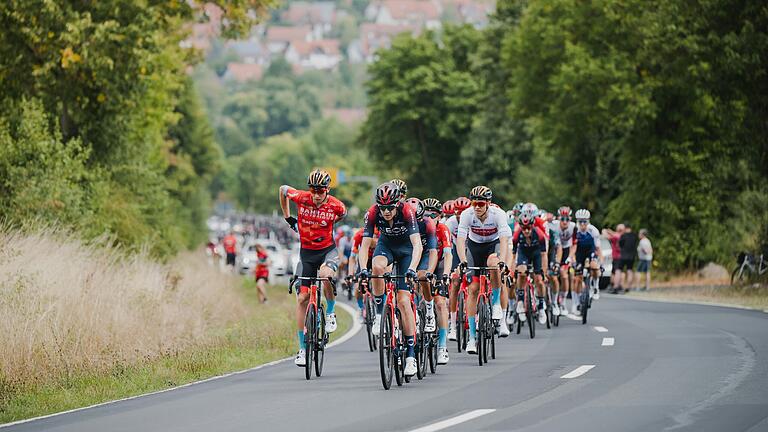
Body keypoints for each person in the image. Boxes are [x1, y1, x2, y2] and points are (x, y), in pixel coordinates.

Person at [278, 169, 347, 367]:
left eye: (321, 191)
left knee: (325, 275)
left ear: (327, 190)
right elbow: (283, 190)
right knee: (302, 298)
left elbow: (340, 216)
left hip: (327, 251)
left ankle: (331, 311)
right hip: (306, 254)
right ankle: (302, 348)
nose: (316, 195)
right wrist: (287, 217)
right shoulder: (301, 197)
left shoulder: (337, 206)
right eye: (314, 190)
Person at [358, 182, 423, 377]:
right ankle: (379, 313)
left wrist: (412, 268)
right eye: (382, 207)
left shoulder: (408, 211)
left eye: (390, 208)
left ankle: (411, 356)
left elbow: (417, 245)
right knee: (376, 268)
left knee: (403, 302)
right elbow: (364, 245)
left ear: (398, 203)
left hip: (406, 251)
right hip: (386, 246)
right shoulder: (372, 213)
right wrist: (363, 268)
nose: (386, 212)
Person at [455, 186, 511, 354]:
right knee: (472, 289)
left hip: (493, 245)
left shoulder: (498, 215)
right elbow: (460, 240)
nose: (477, 207)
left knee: (493, 263)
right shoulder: (466, 215)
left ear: (488, 203)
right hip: (474, 247)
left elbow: (503, 240)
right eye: (474, 204)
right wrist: (463, 261)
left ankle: (496, 305)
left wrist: (502, 261)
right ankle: (472, 338)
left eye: (480, 203)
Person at [423, 197, 453, 364]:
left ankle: (442, 346)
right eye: (426, 214)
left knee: (441, 303)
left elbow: (448, 255)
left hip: (439, 264)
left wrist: (446, 274)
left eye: (433, 215)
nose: (429, 218)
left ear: (439, 217)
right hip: (423, 264)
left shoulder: (442, 229)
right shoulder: (419, 228)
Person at [512, 209, 549, 324]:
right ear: (520, 227)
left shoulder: (539, 234)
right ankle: (521, 301)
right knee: (522, 272)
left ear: (533, 226)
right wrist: (513, 272)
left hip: (536, 253)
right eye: (524, 228)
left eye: (529, 228)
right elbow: (513, 256)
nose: (526, 230)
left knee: (539, 280)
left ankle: (542, 306)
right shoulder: (517, 235)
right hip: (523, 253)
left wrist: (544, 272)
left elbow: (544, 255)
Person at [568, 209, 603, 315]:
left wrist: (600, 262)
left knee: (594, 266)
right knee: (577, 279)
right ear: (577, 222)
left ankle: (595, 287)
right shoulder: (574, 231)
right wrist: (572, 259)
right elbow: (571, 247)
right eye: (580, 222)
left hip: (590, 250)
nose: (583, 224)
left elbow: (598, 248)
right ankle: (575, 303)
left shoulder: (593, 231)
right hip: (578, 252)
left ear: (588, 221)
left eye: (585, 221)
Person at [446, 196, 470, 342]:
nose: (460, 216)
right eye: (457, 213)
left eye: (463, 213)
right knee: (455, 281)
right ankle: (453, 326)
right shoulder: (450, 223)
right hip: (456, 249)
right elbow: (447, 247)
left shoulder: (472, 219)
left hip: (472, 249)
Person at [618, 223, 639, 294]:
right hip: (632, 256)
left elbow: (620, 245)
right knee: (629, 270)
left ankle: (616, 286)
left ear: (625, 228)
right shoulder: (635, 236)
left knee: (618, 270)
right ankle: (628, 287)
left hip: (623, 255)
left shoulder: (623, 236)